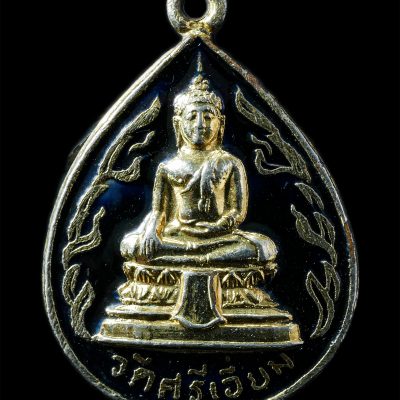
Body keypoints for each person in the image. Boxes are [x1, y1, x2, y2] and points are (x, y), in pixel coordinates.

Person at [121, 74, 277, 267]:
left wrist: (218, 227)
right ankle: (203, 258)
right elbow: (158, 212)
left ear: (221, 123)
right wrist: (152, 231)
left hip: (220, 237)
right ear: (177, 123)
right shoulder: (167, 167)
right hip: (178, 234)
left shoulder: (230, 163)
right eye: (192, 117)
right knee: (130, 245)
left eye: (208, 117)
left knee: (264, 247)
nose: (201, 125)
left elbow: (237, 211)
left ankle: (194, 257)